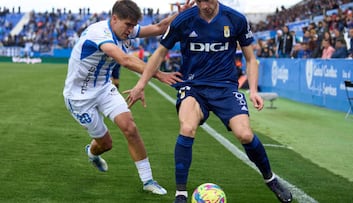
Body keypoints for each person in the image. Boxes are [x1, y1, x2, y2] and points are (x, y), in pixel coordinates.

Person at [125, 0, 293, 202]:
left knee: (245, 134)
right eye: (199, 0)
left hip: (225, 87)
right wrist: (141, 84)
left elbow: (250, 58)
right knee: (187, 128)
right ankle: (180, 193)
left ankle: (270, 179)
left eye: (208, 0)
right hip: (193, 86)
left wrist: (254, 90)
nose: (204, 5)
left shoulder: (235, 19)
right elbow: (160, 53)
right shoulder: (183, 20)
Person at [63, 0, 193, 195]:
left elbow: (159, 27)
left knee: (130, 127)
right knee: (105, 144)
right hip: (79, 98)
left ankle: (148, 180)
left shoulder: (124, 29)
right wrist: (158, 74)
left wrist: (180, 15)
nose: (131, 30)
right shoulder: (99, 33)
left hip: (104, 89)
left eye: (133, 26)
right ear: (114, 19)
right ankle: (92, 152)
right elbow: (124, 59)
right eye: (128, 25)